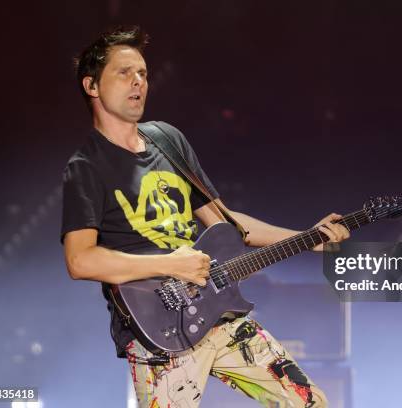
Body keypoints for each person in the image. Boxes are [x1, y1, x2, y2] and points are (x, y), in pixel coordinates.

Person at [61, 26, 350, 408]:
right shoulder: (86, 167)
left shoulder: (167, 139)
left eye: (143, 74)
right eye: (124, 72)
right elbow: (80, 260)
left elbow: (229, 226)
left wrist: (309, 236)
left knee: (309, 402)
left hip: (219, 314)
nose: (139, 82)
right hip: (159, 333)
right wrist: (173, 264)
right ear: (92, 86)